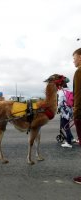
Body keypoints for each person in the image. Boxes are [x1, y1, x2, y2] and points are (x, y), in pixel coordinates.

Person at [72, 48, 81, 184]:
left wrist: (76, 111)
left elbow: (78, 94)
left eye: (74, 57)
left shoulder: (79, 72)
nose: (73, 60)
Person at [58, 82, 75, 148]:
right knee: (65, 125)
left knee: (65, 126)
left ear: (61, 86)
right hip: (70, 110)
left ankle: (69, 142)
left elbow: (60, 101)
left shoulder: (62, 92)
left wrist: (58, 108)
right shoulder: (69, 90)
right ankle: (71, 138)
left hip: (65, 111)